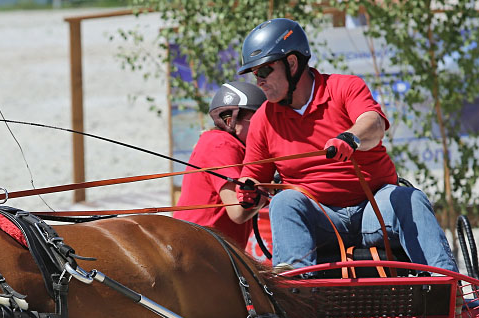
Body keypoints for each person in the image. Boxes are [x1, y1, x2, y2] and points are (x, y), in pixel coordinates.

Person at [235, 18, 458, 272]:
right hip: (322, 218)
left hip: (373, 206)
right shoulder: (264, 118)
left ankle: (448, 289)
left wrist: (351, 138)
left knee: (411, 198)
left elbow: (373, 123)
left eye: (264, 71)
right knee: (284, 201)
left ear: (292, 63)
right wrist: (249, 193)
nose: (259, 81)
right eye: (255, 74)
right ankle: (295, 294)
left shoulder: (344, 87)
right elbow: (253, 178)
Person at [173, 80, 267, 250]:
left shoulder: (228, 146)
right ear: (231, 121)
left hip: (206, 250)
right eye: (259, 121)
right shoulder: (221, 144)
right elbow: (238, 211)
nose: (265, 128)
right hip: (198, 251)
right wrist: (269, 188)